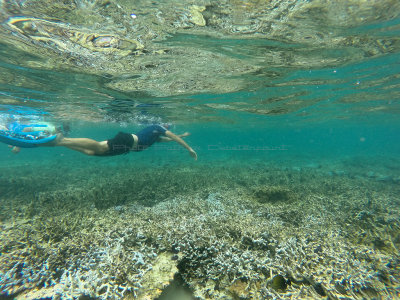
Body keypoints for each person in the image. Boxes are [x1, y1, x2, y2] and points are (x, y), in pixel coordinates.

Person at [2, 123, 197, 160]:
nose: (168, 130)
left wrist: (183, 137)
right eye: (168, 128)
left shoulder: (156, 135)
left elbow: (164, 141)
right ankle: (64, 139)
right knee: (96, 146)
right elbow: (172, 137)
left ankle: (59, 142)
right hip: (128, 141)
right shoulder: (158, 126)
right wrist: (188, 148)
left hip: (126, 147)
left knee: (91, 152)